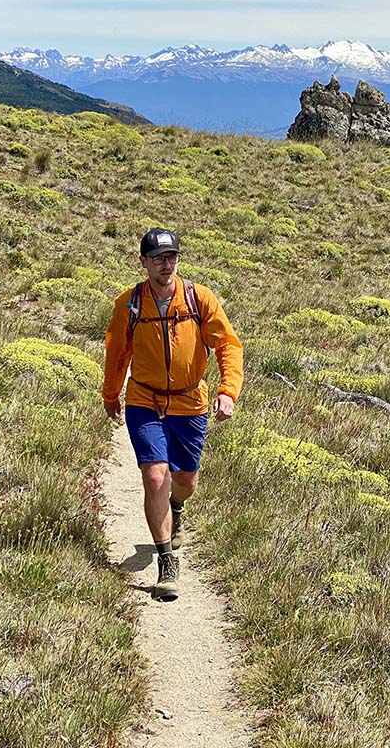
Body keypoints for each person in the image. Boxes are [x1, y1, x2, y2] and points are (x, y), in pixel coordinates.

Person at [102, 228, 244, 602]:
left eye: (172, 257)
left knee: (185, 481)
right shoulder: (129, 304)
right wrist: (111, 393)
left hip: (189, 402)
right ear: (144, 262)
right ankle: (167, 561)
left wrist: (227, 391)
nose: (166, 265)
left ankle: (176, 507)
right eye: (158, 259)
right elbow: (117, 352)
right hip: (144, 400)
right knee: (155, 476)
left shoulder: (200, 299)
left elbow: (228, 346)